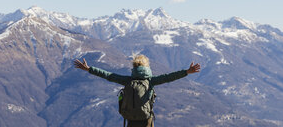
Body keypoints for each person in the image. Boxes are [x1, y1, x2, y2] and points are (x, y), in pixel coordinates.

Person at [73, 54, 201, 127]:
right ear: (147, 67)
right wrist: (187, 72)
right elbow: (169, 77)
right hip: (146, 120)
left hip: (131, 119)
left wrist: (89, 69)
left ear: (134, 67)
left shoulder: (127, 81)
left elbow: (108, 75)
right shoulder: (151, 81)